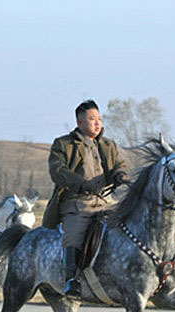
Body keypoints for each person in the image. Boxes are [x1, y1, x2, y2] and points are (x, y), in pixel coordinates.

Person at [43, 100, 129, 298]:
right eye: (92, 119)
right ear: (79, 123)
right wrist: (81, 183)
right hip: (77, 203)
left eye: (99, 119)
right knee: (74, 234)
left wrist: (120, 174)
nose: (97, 123)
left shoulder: (108, 145)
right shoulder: (63, 144)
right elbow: (58, 171)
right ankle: (71, 279)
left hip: (106, 201)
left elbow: (119, 164)